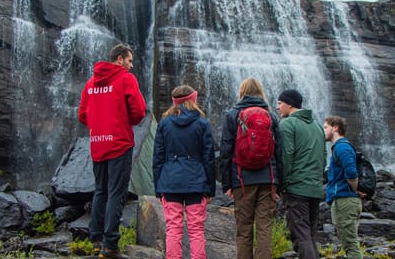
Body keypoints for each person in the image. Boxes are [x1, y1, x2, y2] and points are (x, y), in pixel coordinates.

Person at [78, 43, 147, 259]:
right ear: (119, 59)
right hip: (119, 143)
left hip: (98, 143)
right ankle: (110, 245)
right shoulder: (125, 79)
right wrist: (127, 122)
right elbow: (139, 110)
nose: (131, 65)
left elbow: (82, 115)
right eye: (129, 60)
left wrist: (98, 125)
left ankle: (96, 240)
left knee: (100, 191)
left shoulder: (90, 83)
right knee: (117, 192)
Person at [220, 77, 283, 259]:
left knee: (244, 229)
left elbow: (226, 151)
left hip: (241, 180)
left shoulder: (232, 115)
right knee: (265, 228)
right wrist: (279, 183)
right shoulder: (270, 116)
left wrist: (227, 184)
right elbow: (279, 152)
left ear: (242, 92)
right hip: (267, 179)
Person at [153, 85, 215, 259]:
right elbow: (208, 157)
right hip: (196, 181)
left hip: (170, 182)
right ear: (192, 99)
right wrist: (210, 187)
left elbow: (158, 157)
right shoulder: (202, 122)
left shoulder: (164, 123)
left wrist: (158, 186)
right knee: (196, 230)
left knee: (173, 228)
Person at [276, 89, 326, 259]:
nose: (277, 107)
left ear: (290, 104)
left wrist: (283, 184)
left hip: (297, 188)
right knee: (310, 234)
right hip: (315, 188)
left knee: (300, 234)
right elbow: (323, 157)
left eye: (280, 103)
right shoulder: (317, 126)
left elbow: (286, 155)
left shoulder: (287, 124)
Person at [324, 116, 364, 259]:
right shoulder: (340, 147)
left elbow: (352, 172)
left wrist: (353, 188)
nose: (323, 131)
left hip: (345, 200)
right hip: (344, 200)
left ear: (335, 128)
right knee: (349, 242)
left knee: (351, 245)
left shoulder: (342, 147)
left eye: (325, 127)